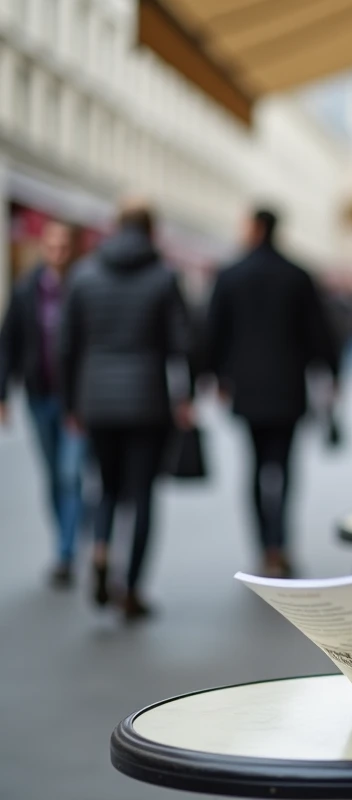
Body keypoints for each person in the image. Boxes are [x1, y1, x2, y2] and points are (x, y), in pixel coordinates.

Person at [60, 200, 194, 620]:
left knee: (105, 487)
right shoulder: (164, 277)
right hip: (147, 400)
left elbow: (66, 346)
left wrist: (71, 403)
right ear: (152, 231)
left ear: (115, 227)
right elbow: (182, 343)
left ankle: (100, 551)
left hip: (96, 399)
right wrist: (186, 396)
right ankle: (132, 588)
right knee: (142, 495)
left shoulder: (84, 275)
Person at [206, 207, 340, 578]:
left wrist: (213, 377)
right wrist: (333, 374)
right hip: (288, 388)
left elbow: (213, 330)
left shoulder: (231, 274)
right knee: (284, 468)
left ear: (255, 227)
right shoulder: (297, 275)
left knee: (253, 467)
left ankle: (263, 547)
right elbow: (320, 332)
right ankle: (280, 544)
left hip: (246, 388)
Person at [0, 220, 87, 587]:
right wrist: (3, 393)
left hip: (77, 401)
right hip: (39, 395)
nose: (57, 253)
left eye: (63, 246)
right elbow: (8, 343)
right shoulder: (26, 290)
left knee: (70, 473)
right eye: (51, 246)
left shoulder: (83, 286)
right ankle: (67, 534)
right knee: (53, 475)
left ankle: (66, 552)